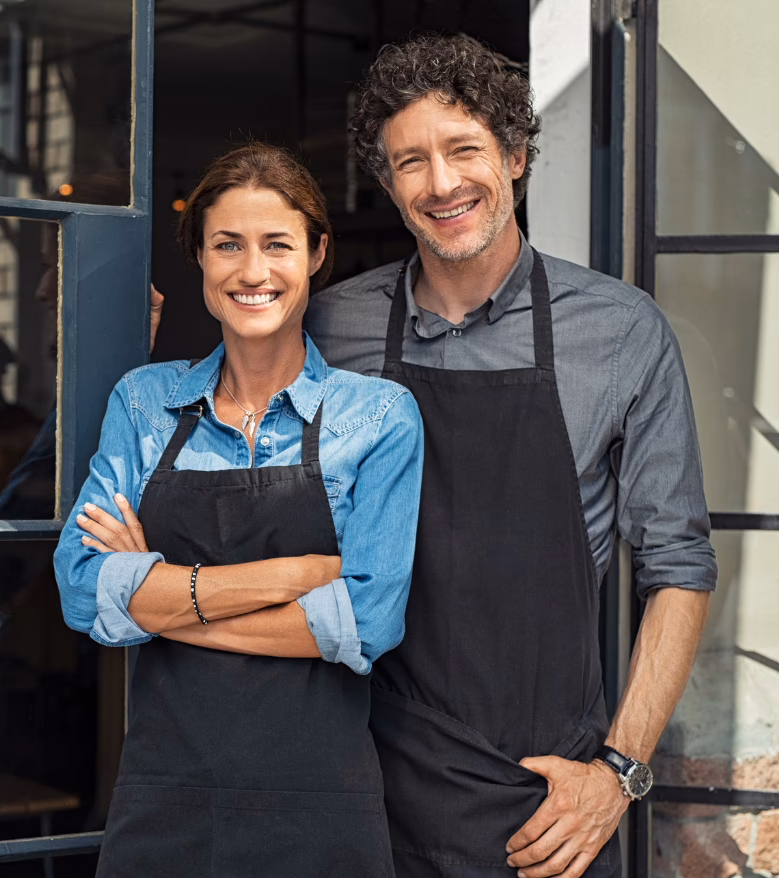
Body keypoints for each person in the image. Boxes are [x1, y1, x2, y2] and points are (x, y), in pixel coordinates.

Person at [302, 34, 716, 878]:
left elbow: (678, 566)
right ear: (387, 184)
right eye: (410, 161)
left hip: (549, 803)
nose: (442, 183)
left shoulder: (620, 330)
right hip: (360, 778)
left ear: (517, 156)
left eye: (464, 149)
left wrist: (619, 772)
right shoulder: (329, 327)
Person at [53, 142, 424, 877]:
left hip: (320, 811)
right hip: (166, 804)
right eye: (227, 245)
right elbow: (79, 589)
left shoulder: (378, 417)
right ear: (199, 259)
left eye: (277, 245)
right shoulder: (145, 402)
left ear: (317, 253)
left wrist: (161, 601)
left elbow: (368, 623)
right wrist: (296, 576)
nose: (253, 271)